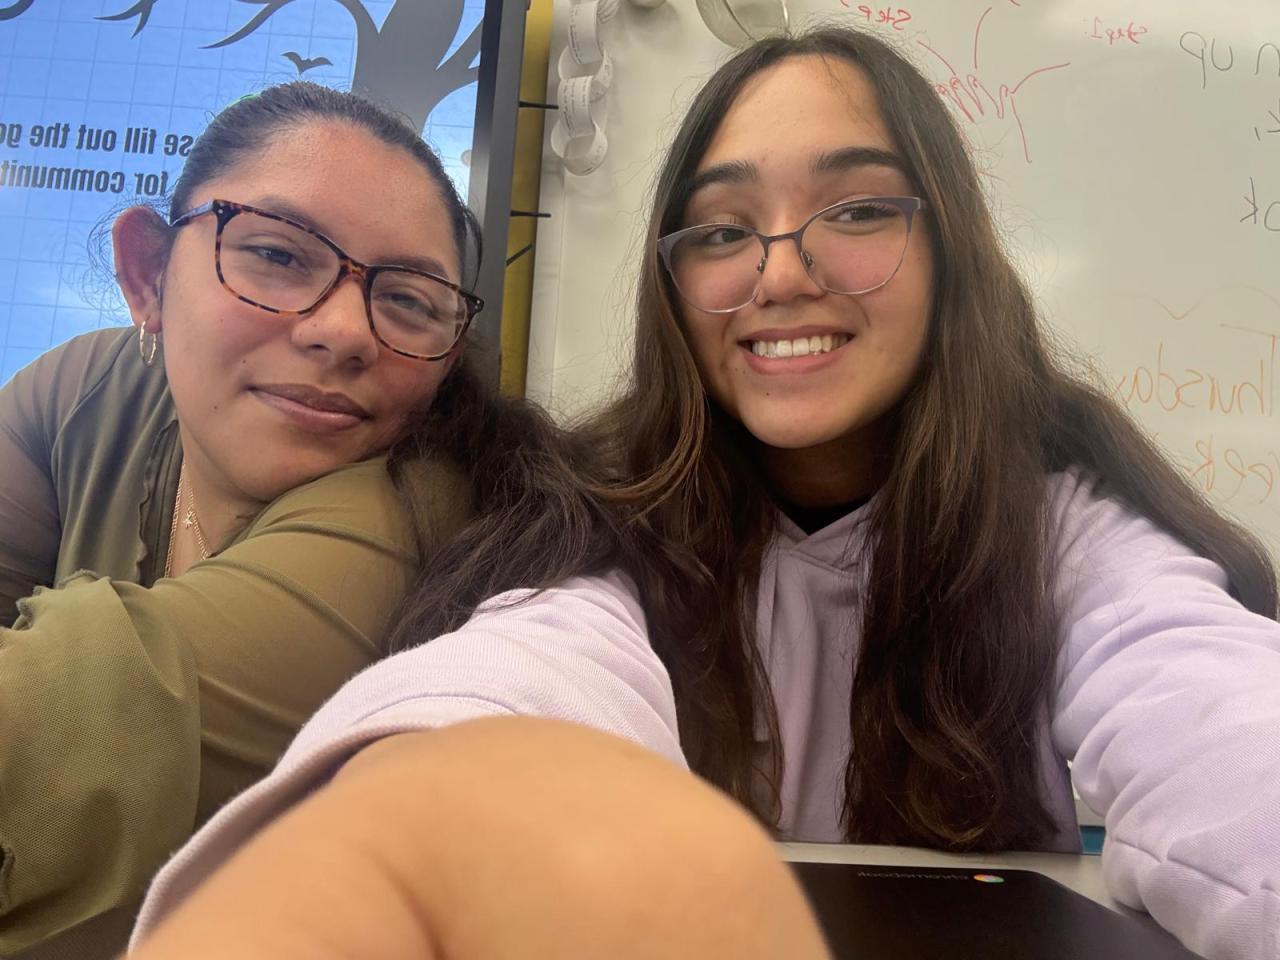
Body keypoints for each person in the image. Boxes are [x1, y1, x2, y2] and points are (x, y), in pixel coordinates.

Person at [127, 27, 1280, 960]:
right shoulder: (601, 521)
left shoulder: (1063, 528)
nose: (777, 272)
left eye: (856, 209)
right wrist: (402, 824)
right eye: (722, 230)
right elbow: (526, 674)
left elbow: (1202, 704)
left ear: (950, 253)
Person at [0, 82, 491, 953]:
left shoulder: (410, 520)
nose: (346, 331)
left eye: (410, 301)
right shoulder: (83, 392)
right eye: (276, 254)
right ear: (147, 275)